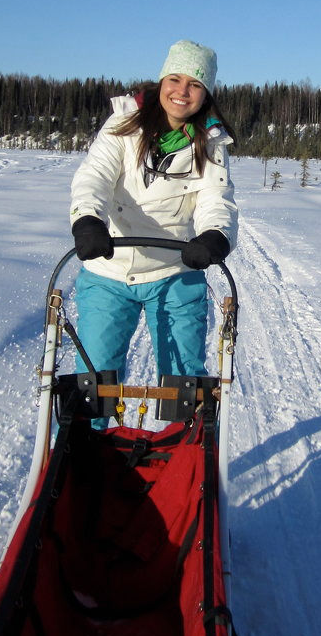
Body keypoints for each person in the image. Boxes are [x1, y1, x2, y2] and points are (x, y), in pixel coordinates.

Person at [69, 40, 237, 383]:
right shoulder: (123, 123)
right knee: (92, 382)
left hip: (175, 269)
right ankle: (88, 420)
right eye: (175, 79)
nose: (182, 91)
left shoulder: (211, 142)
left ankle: (186, 419)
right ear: (162, 81)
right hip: (109, 268)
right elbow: (94, 176)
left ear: (206, 94)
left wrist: (215, 235)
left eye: (195, 84)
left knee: (184, 385)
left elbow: (216, 199)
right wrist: (87, 219)